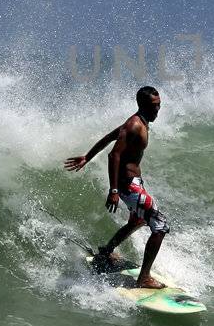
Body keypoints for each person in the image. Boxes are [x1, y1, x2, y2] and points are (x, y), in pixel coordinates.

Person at [63, 85, 171, 289]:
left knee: (138, 220)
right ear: (143, 105)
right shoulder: (134, 125)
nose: (158, 110)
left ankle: (106, 251)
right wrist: (113, 190)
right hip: (127, 185)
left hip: (134, 183)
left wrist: (87, 156)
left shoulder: (140, 121)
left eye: (159, 105)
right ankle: (144, 277)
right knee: (160, 226)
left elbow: (108, 138)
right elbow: (114, 155)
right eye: (154, 106)